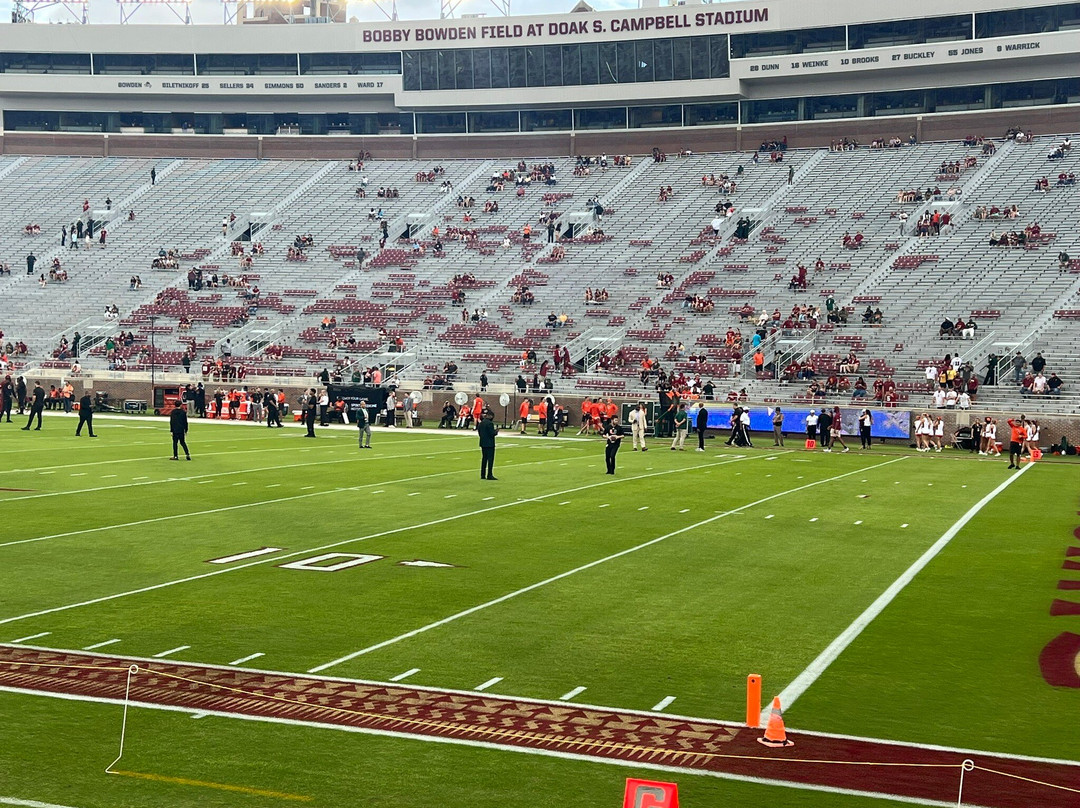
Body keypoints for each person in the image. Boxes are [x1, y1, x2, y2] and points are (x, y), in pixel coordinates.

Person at [478, 410, 498, 480]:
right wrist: (496, 431)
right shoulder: (490, 423)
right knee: (490, 460)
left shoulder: (481, 423)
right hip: (489, 444)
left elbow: (479, 433)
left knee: (484, 459)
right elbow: (491, 434)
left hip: (483, 443)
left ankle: (482, 474)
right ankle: (489, 474)